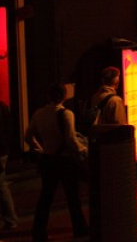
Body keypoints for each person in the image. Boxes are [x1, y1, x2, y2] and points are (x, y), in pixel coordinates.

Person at [25, 84, 88, 242]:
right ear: (64, 97)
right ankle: (79, 228)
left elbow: (28, 136)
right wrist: (83, 150)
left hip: (48, 159)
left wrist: (40, 149)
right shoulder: (67, 114)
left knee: (46, 197)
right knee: (72, 196)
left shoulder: (39, 114)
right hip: (65, 160)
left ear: (48, 96)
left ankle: (38, 231)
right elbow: (71, 139)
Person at [0, 101, 17, 231]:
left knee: (1, 185)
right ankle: (10, 219)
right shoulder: (3, 107)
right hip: (2, 150)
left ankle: (10, 219)